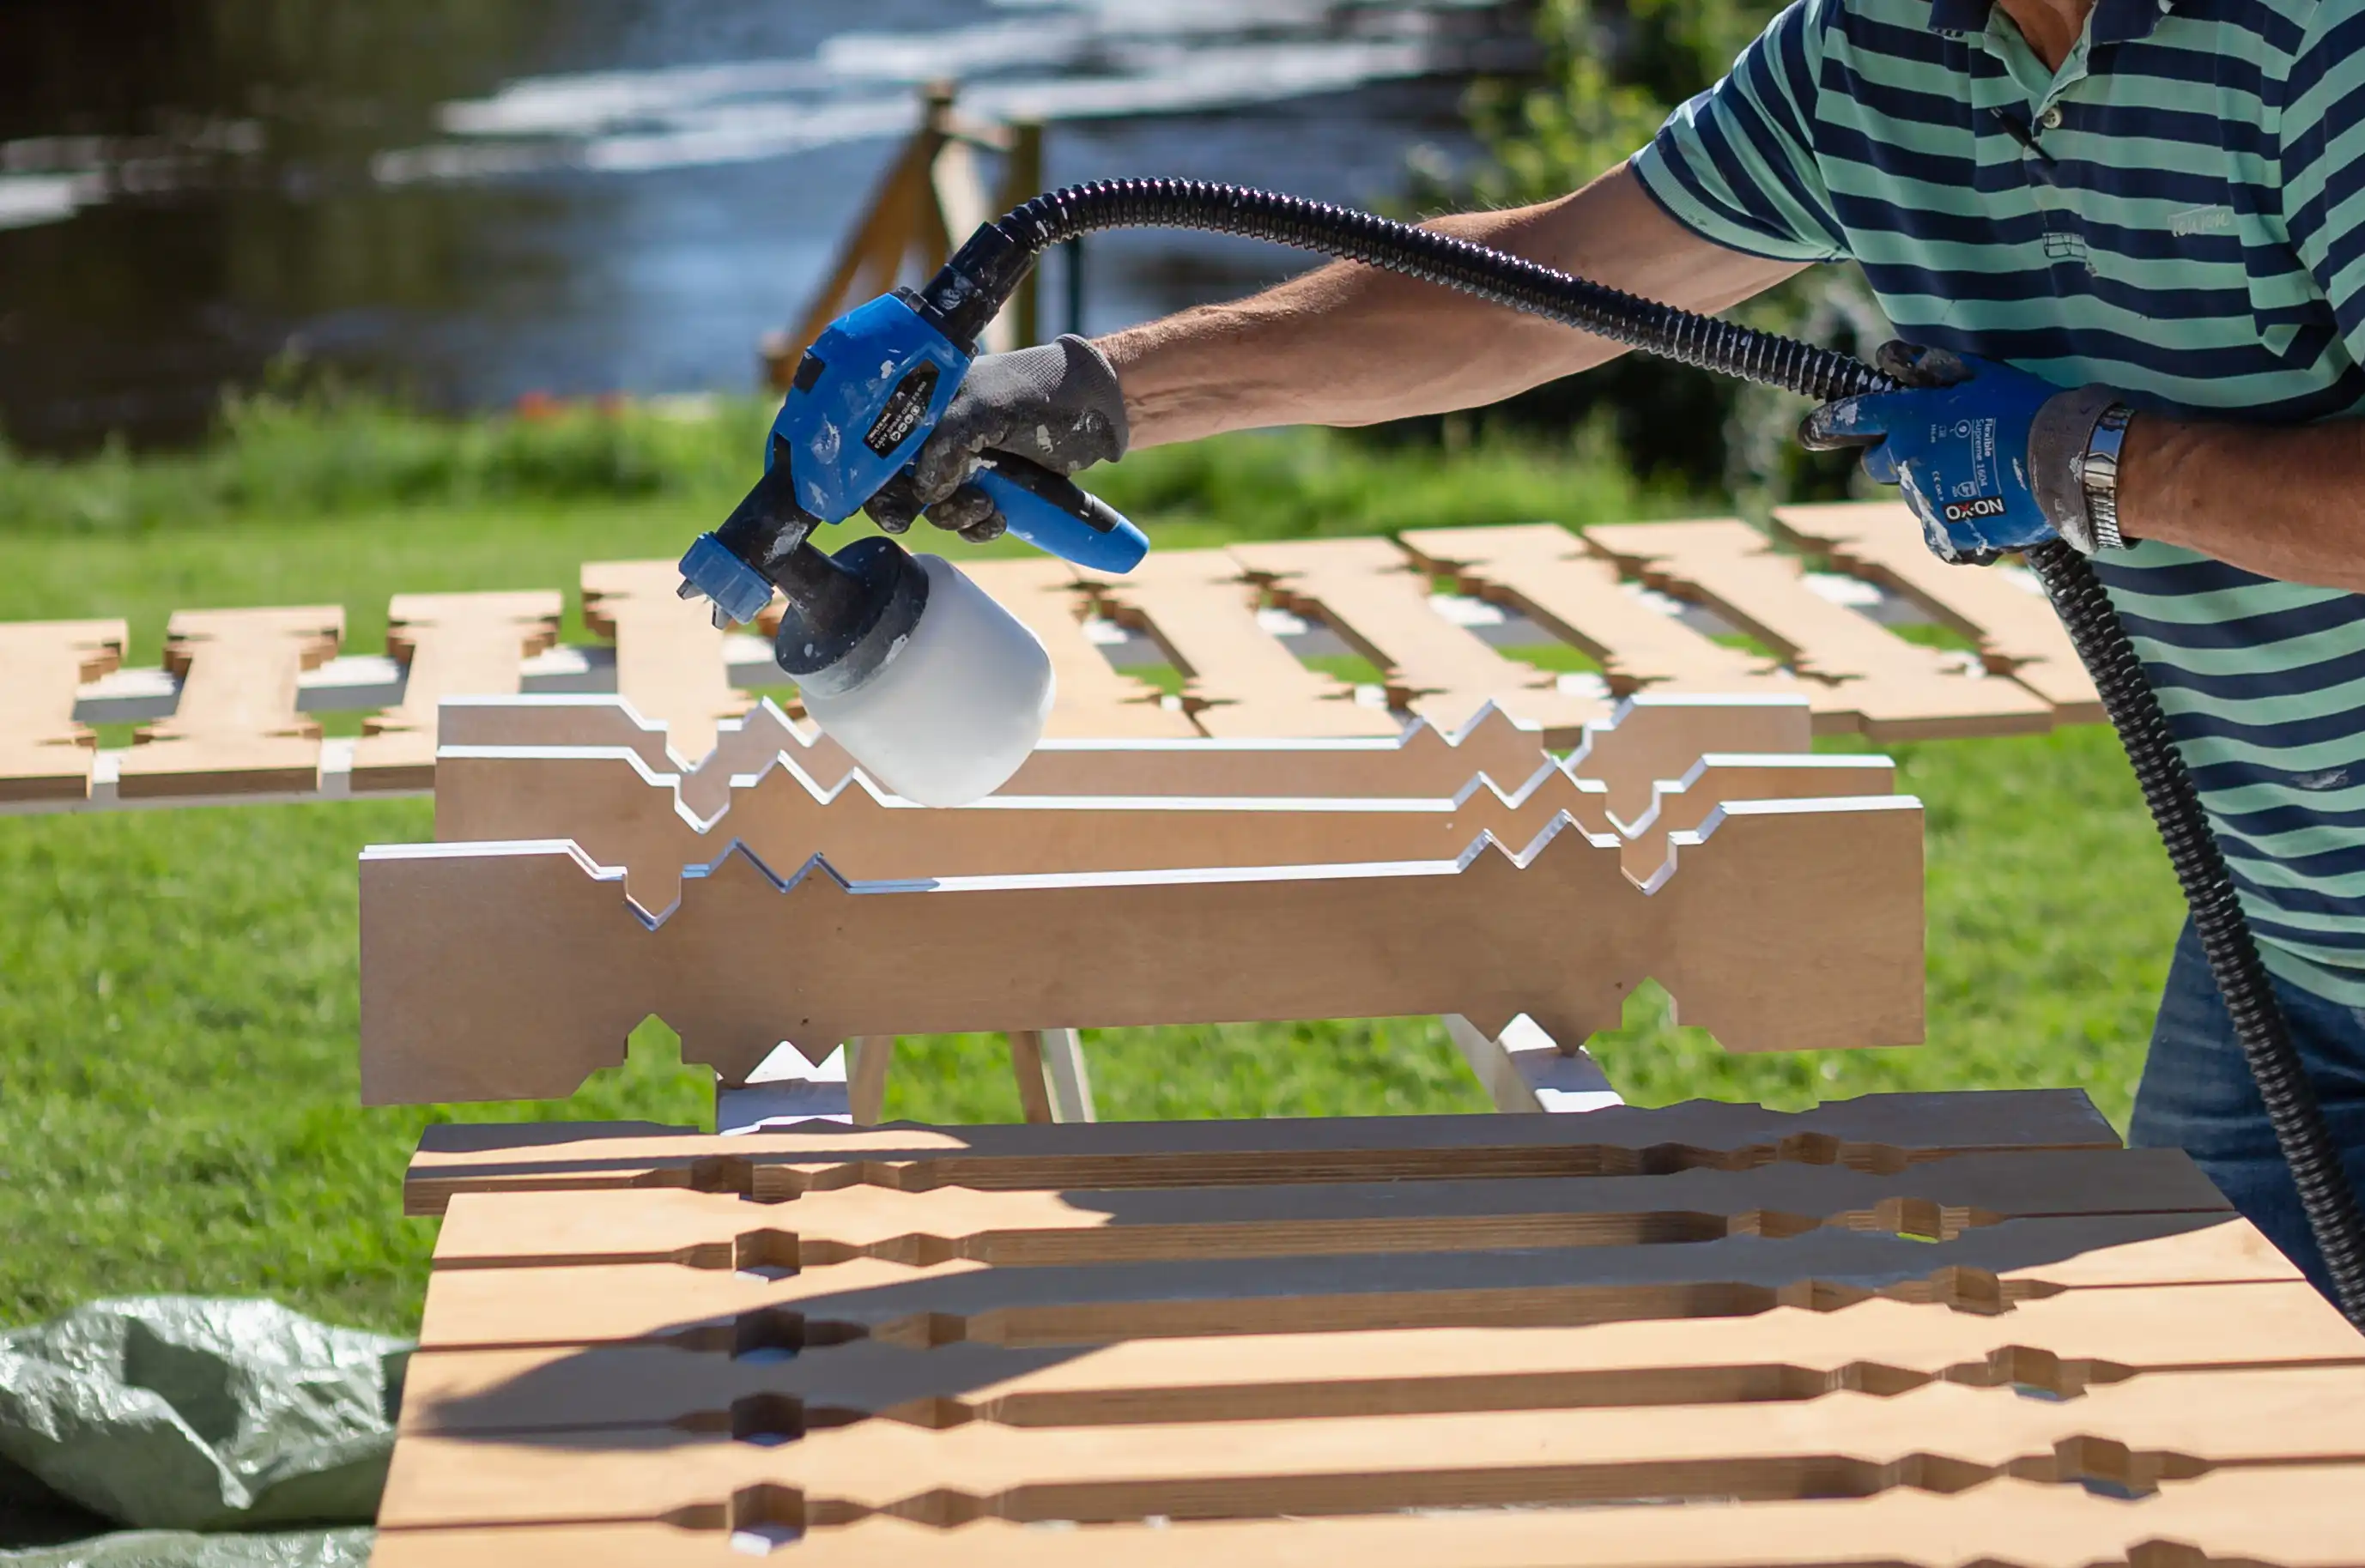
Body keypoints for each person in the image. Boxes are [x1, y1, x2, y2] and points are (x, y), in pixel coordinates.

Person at [864, 0, 2365, 1295]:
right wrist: (1096, 389)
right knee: (2245, 1427)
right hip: (2284, 932)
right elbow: (1535, 295)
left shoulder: (2316, 48)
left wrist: (2098, 463)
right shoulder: (1871, 53)